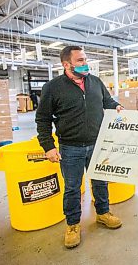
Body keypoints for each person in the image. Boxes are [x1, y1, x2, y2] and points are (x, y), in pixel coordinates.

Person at [36, 45, 124, 249]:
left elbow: (107, 100)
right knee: (73, 188)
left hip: (96, 143)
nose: (86, 64)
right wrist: (48, 146)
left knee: (100, 182)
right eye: (80, 61)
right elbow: (43, 119)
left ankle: (103, 213)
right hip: (70, 147)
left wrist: (116, 106)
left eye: (86, 60)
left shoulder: (95, 81)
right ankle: (73, 225)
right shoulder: (52, 87)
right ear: (66, 64)